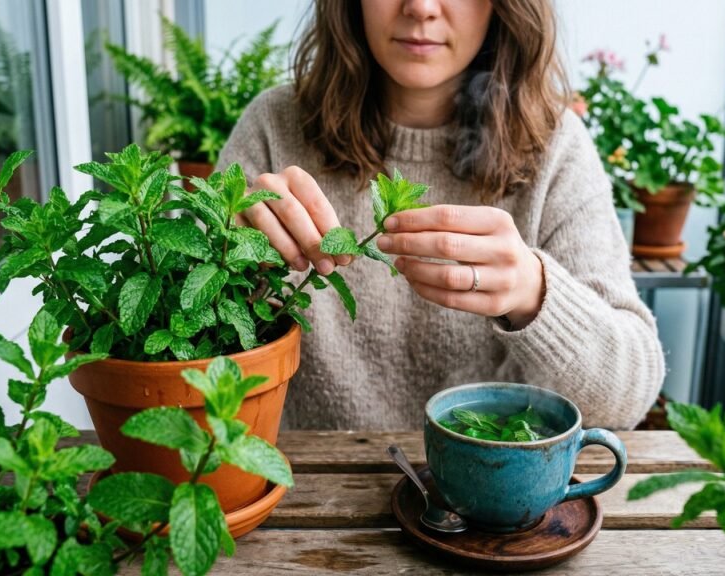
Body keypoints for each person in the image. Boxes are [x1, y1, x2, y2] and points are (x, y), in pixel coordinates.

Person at [218, 0, 665, 430]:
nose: (421, 7)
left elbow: (627, 397)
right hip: (306, 487)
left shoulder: (556, 146)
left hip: (492, 501)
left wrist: (534, 291)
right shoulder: (274, 126)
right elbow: (177, 362)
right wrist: (226, 254)